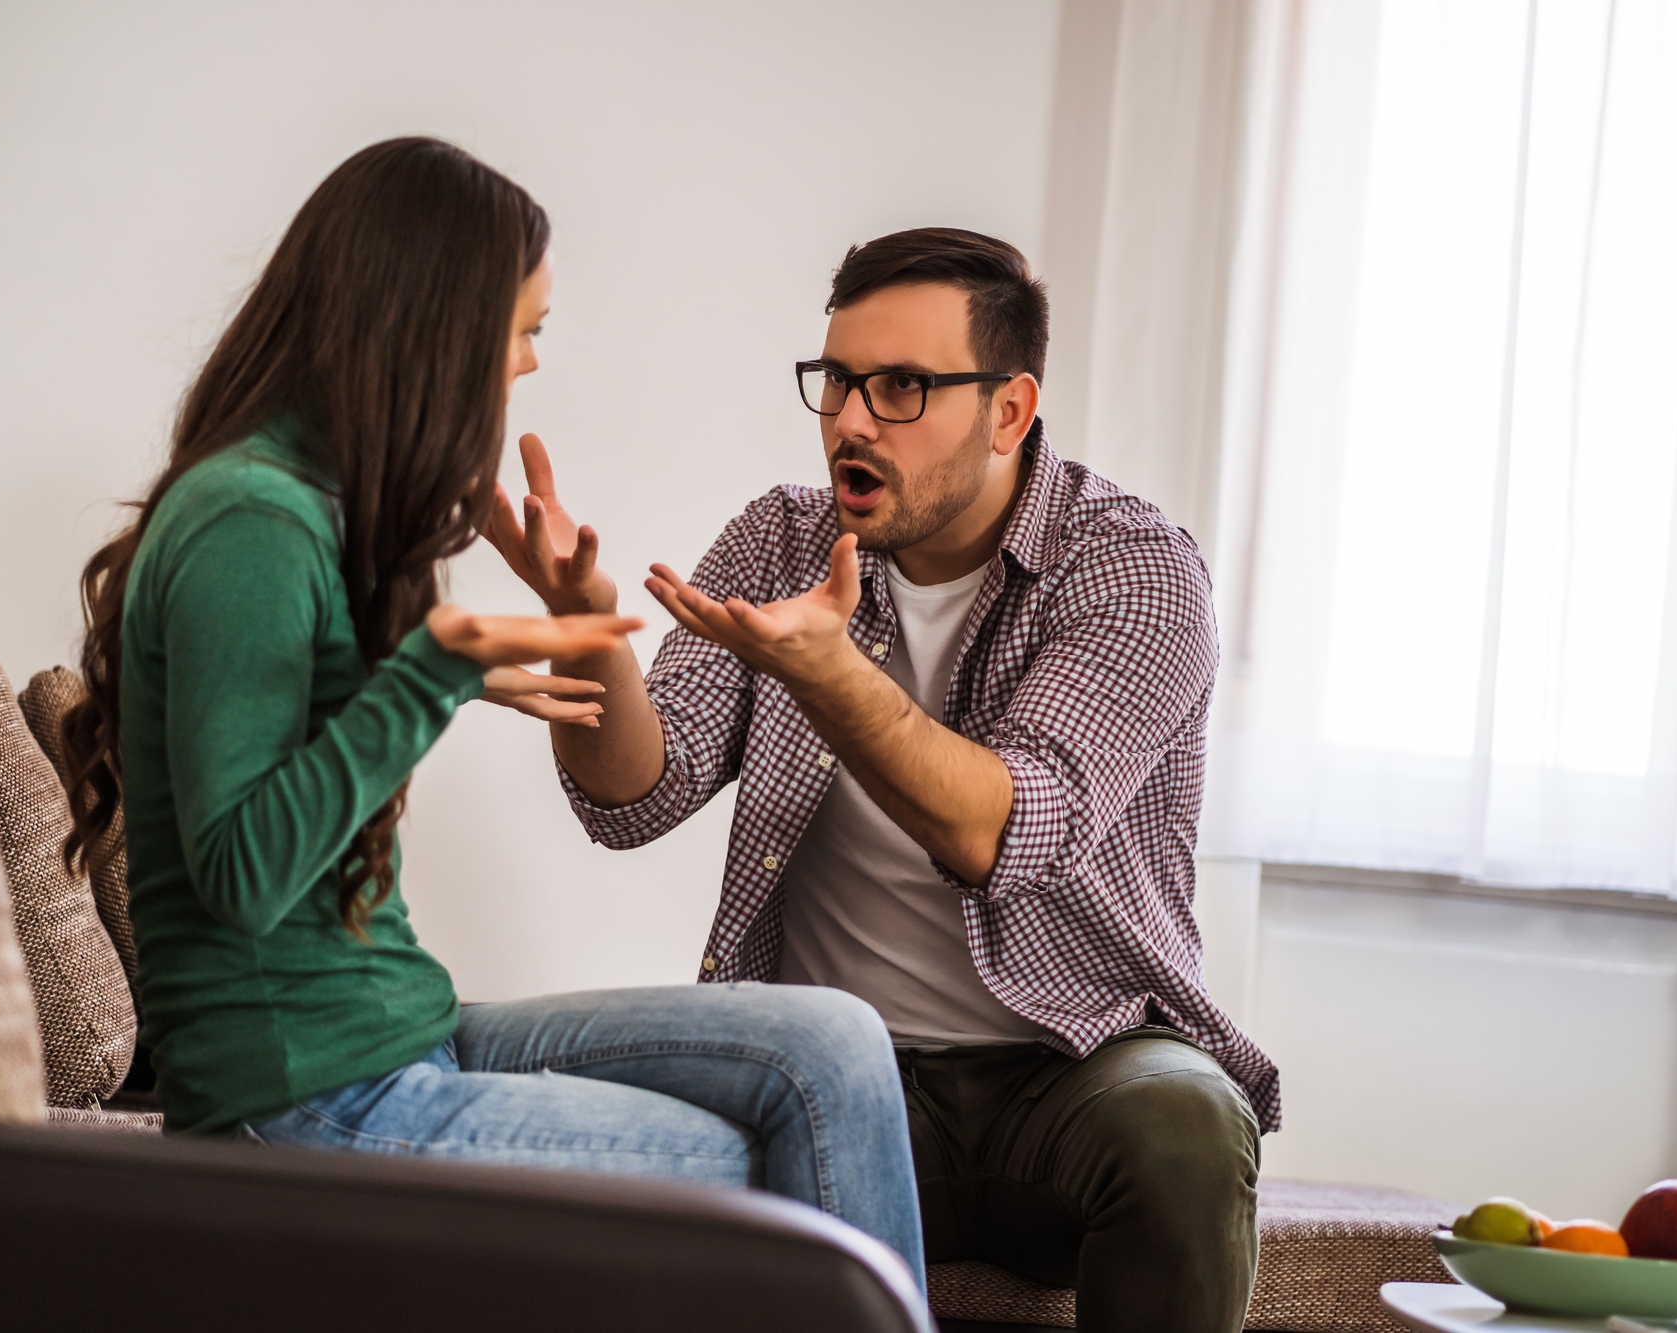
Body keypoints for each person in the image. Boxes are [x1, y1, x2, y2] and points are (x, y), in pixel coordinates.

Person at [57, 137, 923, 1279]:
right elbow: (240, 872)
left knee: (833, 1046)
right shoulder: (250, 521)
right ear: (431, 324)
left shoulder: (307, 502)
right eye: (523, 329)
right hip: (296, 1095)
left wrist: (428, 673)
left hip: (399, 1030)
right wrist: (428, 673)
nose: (523, 364)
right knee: (755, 1165)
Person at [486, 227, 1281, 1332]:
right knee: (621, 1144)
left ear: (1008, 410)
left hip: (1068, 1066)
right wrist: (588, 634)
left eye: (901, 387)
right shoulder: (778, 539)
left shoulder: (1133, 568)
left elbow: (1000, 830)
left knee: (1185, 1126)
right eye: (838, 382)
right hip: (836, 1071)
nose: (852, 421)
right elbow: (634, 797)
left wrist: (829, 677)